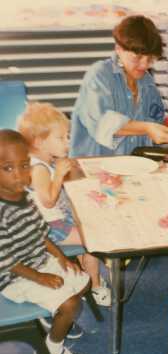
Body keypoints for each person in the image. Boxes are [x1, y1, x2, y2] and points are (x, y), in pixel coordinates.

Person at [0, 129, 89, 354]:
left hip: (39, 260)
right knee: (71, 303)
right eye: (8, 168)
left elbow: (41, 232)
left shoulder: (24, 197)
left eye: (24, 165)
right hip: (15, 277)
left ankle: (55, 317)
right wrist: (41, 277)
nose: (19, 175)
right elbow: (6, 261)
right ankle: (53, 350)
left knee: (84, 282)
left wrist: (60, 257)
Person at [18, 102, 111, 307]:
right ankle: (95, 285)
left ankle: (85, 267)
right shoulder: (38, 169)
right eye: (61, 138)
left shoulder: (45, 160)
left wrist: (66, 169)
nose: (67, 142)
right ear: (40, 142)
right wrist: (59, 175)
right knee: (92, 238)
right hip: (49, 227)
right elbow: (48, 201)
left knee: (91, 215)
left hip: (57, 218)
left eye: (67, 136)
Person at [69, 15, 168, 157]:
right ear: (119, 49)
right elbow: (102, 123)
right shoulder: (99, 75)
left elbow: (155, 123)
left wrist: (167, 134)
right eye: (138, 57)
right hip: (93, 164)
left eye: (150, 58)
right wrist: (147, 128)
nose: (145, 65)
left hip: (131, 166)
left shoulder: (147, 83)